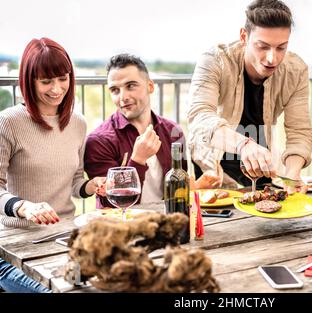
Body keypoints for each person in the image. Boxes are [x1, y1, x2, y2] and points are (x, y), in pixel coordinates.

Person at [0, 37, 104, 292]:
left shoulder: (77, 123)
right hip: (14, 247)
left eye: (63, 79)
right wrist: (23, 207)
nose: (56, 89)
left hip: (65, 239)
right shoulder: (8, 122)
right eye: (46, 81)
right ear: (28, 81)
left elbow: (75, 182)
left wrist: (93, 186)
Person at [187, 0, 312, 192]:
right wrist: (243, 144)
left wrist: (293, 175)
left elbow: (299, 131)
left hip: (260, 167)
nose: (272, 58)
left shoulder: (296, 71)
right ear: (244, 37)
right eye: (262, 46)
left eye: (281, 48)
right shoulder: (214, 60)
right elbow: (200, 118)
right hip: (212, 170)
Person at [84, 54, 221, 208]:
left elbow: (177, 188)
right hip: (122, 225)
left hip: (168, 220)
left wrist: (197, 186)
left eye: (130, 86)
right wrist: (137, 160)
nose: (123, 97)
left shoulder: (173, 131)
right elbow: (109, 203)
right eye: (115, 90)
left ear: (150, 86)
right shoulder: (99, 141)